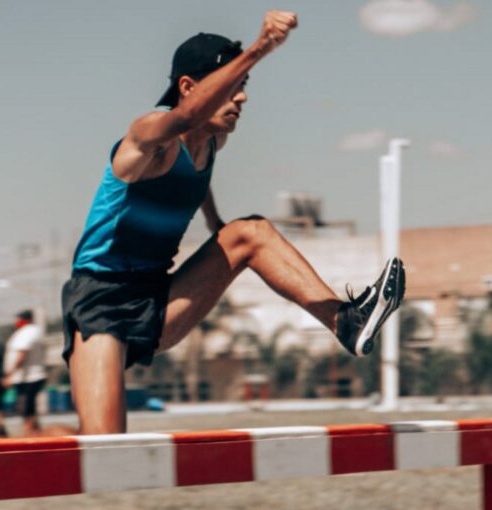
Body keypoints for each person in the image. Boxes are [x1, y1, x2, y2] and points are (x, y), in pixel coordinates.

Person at [62, 10, 406, 435]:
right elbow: (183, 120)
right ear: (189, 87)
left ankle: (345, 321)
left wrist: (216, 224)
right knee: (102, 449)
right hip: (101, 301)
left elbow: (195, 178)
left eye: (243, 88)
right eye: (230, 87)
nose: (241, 98)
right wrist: (260, 48)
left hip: (159, 298)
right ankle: (18, 443)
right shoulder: (149, 135)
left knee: (250, 232)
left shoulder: (212, 142)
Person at [3, 309, 48, 436]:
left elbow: (22, 353)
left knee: (25, 408)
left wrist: (10, 375)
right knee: (29, 407)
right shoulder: (35, 332)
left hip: (28, 377)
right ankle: (35, 432)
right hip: (31, 375)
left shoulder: (27, 332)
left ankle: (30, 433)